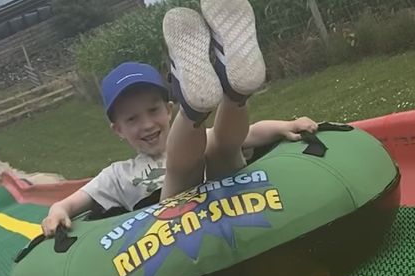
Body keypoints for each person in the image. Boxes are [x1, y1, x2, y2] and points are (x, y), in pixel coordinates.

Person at [41, 0, 317, 236]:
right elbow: (74, 202)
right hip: (174, 229)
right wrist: (58, 209)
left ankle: (235, 91)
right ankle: (200, 106)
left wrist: (286, 126)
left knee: (222, 146)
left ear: (168, 110)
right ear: (118, 129)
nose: (147, 124)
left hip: (232, 200)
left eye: (153, 111)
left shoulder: (203, 139)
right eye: (133, 119)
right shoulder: (117, 176)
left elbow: (253, 132)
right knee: (181, 167)